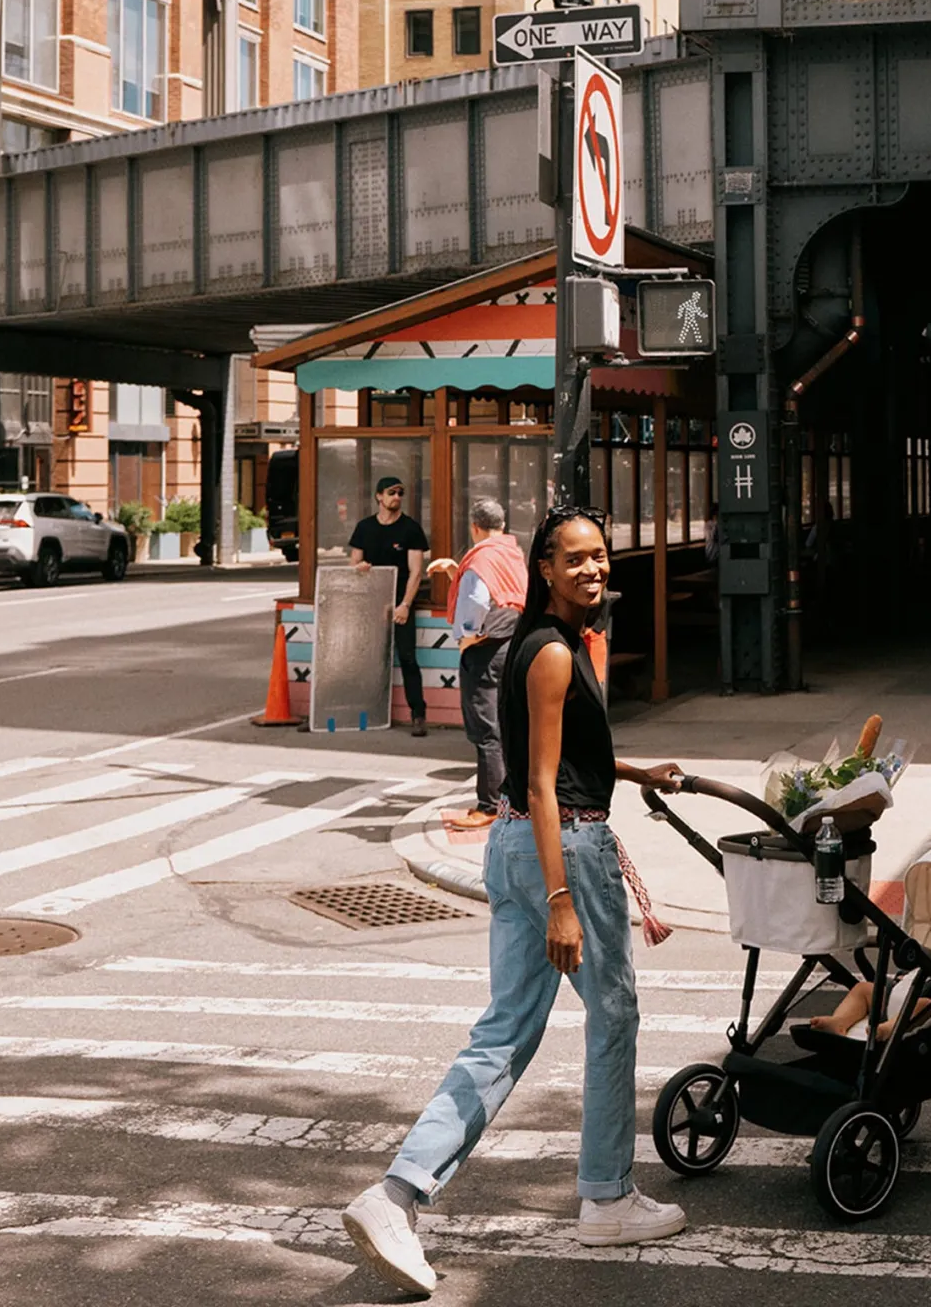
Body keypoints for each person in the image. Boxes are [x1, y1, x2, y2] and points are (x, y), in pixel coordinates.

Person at [342, 505, 688, 1296]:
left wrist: (634, 772)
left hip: (515, 844)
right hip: (558, 849)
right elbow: (539, 782)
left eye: (600, 556)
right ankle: (605, 1197)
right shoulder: (554, 653)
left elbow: (556, 755)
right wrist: (563, 898)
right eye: (575, 560)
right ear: (544, 570)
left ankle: (395, 1195)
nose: (593, 570)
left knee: (503, 1033)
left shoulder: (542, 641)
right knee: (615, 1013)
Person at [427, 499, 529, 830]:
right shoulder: (511, 552)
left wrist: (466, 637)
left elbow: (476, 600)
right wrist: (454, 570)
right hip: (511, 645)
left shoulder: (480, 559)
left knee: (486, 729)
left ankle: (490, 805)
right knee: (506, 723)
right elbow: (499, 592)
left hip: (485, 650)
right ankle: (512, 797)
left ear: (474, 527)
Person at [808, 922, 931, 1040]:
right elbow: (916, 970)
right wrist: (902, 976)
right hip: (901, 994)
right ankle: (839, 1022)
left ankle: (886, 1030)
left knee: (922, 1005)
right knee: (863, 989)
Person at [348, 476, 430, 736]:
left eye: (400, 493)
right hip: (371, 603)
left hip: (400, 603)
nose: (396, 497)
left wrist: (405, 605)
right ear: (378, 496)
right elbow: (354, 564)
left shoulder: (410, 529)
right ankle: (362, 711)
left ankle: (418, 714)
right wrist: (359, 568)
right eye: (391, 493)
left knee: (407, 657)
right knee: (366, 657)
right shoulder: (364, 528)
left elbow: (416, 572)